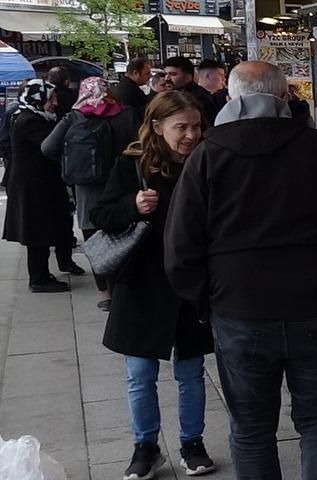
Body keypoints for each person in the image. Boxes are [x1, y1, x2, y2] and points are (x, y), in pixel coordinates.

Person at [163, 61, 317, 480]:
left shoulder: (208, 155)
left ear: (231, 99)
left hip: (241, 308)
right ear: (284, 98)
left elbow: (179, 248)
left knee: (251, 428)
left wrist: (208, 299)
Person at [89, 91, 216, 480]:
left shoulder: (210, 161)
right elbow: (99, 214)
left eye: (196, 126)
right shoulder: (133, 164)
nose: (191, 135)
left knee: (191, 373)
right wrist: (133, 205)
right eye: (181, 127)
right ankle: (145, 447)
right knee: (139, 373)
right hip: (142, 286)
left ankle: (192, 443)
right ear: (158, 127)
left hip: (190, 286)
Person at [41, 76, 137, 311]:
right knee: (125, 237)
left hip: (88, 190)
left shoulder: (75, 115)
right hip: (122, 185)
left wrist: (71, 163)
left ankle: (105, 294)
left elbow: (47, 147)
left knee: (95, 241)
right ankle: (126, 288)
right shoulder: (125, 114)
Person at [3, 79, 85, 293]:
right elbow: (49, 146)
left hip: (43, 183)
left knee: (52, 225)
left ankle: (57, 265)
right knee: (36, 231)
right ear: (39, 99)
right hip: (33, 185)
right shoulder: (29, 120)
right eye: (52, 98)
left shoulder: (37, 117)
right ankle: (38, 278)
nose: (55, 103)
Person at [163, 56, 218, 126]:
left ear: (188, 77)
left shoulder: (197, 99)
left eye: (173, 74)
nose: (167, 78)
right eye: (165, 74)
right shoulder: (175, 95)